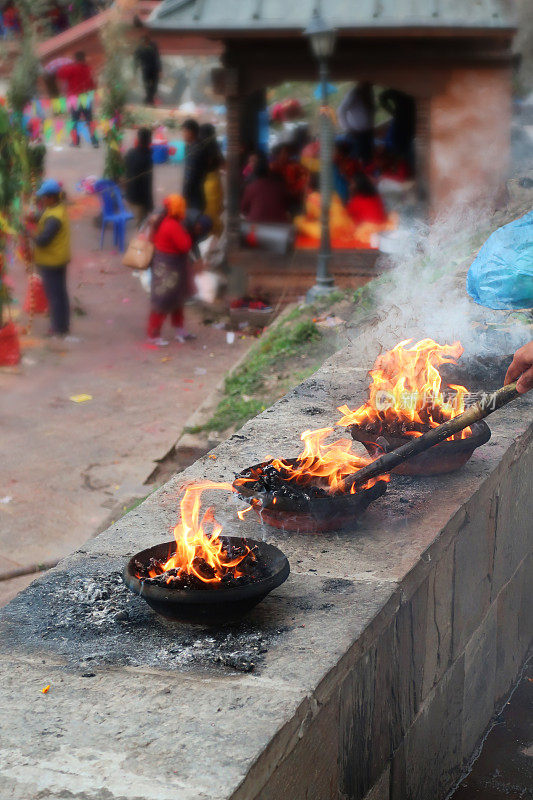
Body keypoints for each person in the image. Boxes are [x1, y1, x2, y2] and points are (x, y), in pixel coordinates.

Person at [147, 194, 194, 346]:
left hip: (164, 267)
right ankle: (154, 335)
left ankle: (179, 330)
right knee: (164, 302)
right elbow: (185, 246)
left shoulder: (162, 221)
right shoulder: (172, 225)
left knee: (174, 301)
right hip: (171, 269)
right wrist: (187, 233)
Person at [32, 179, 72, 338]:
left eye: (44, 197)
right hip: (60, 258)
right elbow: (43, 217)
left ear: (51, 198)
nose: (42, 200)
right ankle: (63, 325)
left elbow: (43, 240)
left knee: (54, 295)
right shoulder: (57, 208)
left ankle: (57, 328)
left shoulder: (54, 217)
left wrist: (30, 234)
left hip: (51, 261)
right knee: (60, 293)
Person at [56, 51, 98, 148]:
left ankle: (76, 141)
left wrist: (67, 63)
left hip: (74, 98)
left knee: (74, 120)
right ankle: (94, 141)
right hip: (86, 97)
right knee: (89, 119)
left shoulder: (72, 68)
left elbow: (60, 74)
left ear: (75, 59)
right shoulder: (89, 69)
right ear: (84, 58)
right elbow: (93, 84)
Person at [241, 158, 290, 224]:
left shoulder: (251, 187)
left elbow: (244, 209)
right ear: (269, 172)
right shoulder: (280, 186)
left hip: (256, 226)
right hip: (279, 226)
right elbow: (286, 205)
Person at [338, 82, 375, 164]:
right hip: (357, 133)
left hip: (368, 132)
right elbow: (341, 110)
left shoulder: (369, 92)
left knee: (367, 158)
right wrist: (347, 128)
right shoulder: (354, 93)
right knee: (356, 158)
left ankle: (366, 174)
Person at [124, 127, 153, 228]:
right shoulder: (147, 158)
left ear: (138, 139)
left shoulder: (130, 153)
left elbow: (125, 172)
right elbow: (147, 184)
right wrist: (149, 204)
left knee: (140, 224)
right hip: (140, 200)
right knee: (141, 227)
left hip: (130, 196)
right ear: (149, 140)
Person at [199, 123, 224, 237]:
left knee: (208, 212)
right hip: (216, 181)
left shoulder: (201, 147)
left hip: (206, 183)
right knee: (215, 210)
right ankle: (216, 235)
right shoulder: (216, 147)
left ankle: (211, 237)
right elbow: (223, 164)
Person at [379, 88, 416, 167]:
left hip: (408, 121)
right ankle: (404, 166)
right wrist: (392, 111)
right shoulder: (397, 90)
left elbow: (382, 97)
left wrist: (392, 111)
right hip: (403, 121)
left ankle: (407, 166)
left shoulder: (399, 90)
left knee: (407, 143)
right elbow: (382, 97)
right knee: (401, 143)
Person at [182, 118, 207, 214]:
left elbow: (190, 176)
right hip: (197, 194)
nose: (183, 134)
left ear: (190, 132)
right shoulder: (196, 145)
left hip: (193, 198)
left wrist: (184, 196)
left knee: (192, 223)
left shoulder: (195, 150)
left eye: (184, 131)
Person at [134, 33, 161, 106]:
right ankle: (149, 100)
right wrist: (135, 71)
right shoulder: (139, 48)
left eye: (146, 41)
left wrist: (159, 70)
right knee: (146, 85)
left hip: (154, 68)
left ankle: (149, 99)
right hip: (145, 69)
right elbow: (136, 60)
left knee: (154, 86)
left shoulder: (153, 46)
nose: (144, 43)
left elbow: (157, 57)